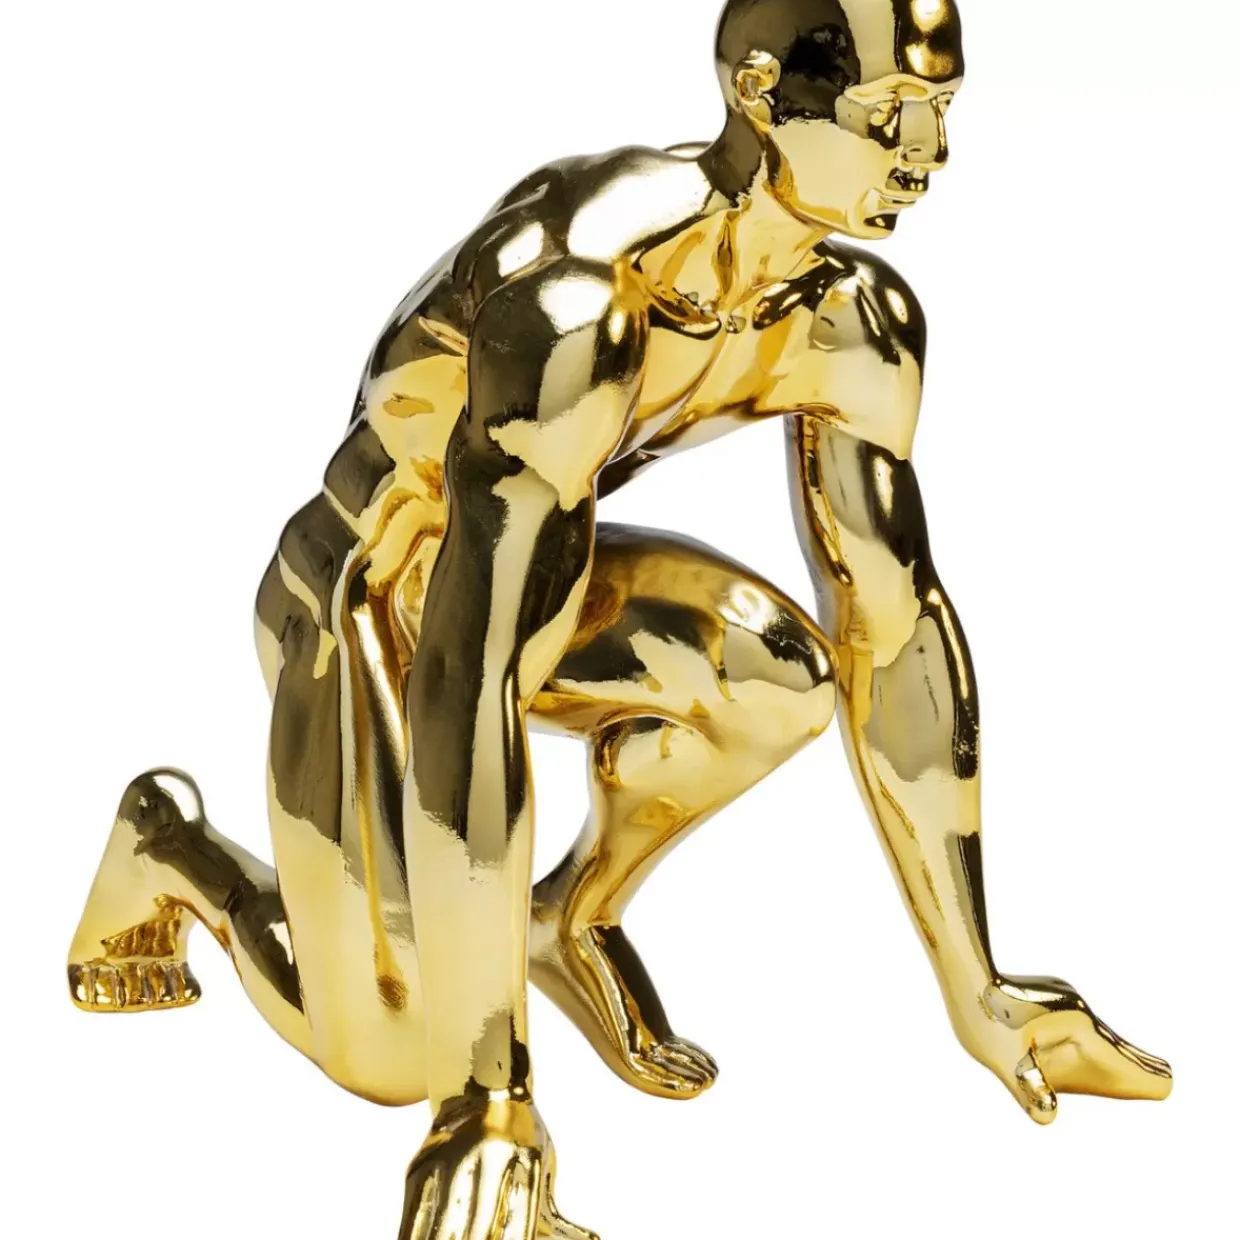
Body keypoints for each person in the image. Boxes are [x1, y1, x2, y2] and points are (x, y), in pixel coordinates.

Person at [68, 2, 1171, 1236]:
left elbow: (897, 629)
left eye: (941, 113)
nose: (931, 155)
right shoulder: (577, 309)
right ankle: (171, 843)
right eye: (888, 117)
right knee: (390, 1052)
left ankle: (566, 917)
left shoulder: (853, 325)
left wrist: (979, 986)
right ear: (762, 94)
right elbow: (467, 681)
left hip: (531, 582)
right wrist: (484, 1100)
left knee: (781, 681)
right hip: (365, 597)